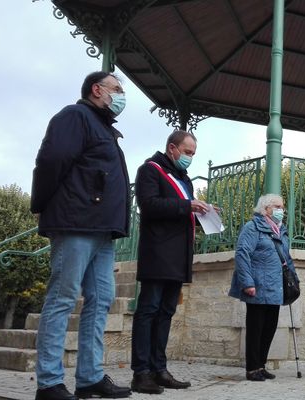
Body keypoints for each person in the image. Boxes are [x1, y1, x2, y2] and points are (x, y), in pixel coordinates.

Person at [31, 71, 132, 400]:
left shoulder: (105, 127)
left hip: (103, 228)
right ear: (97, 89)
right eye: (117, 88)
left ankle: (89, 377)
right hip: (76, 222)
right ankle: (49, 383)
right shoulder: (75, 116)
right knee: (62, 298)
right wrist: (43, 205)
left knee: (101, 300)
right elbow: (52, 161)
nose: (121, 95)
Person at [130, 130, 209, 394]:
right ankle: (141, 373)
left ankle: (159, 369)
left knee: (166, 313)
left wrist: (202, 214)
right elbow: (150, 205)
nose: (190, 158)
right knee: (148, 311)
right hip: (157, 252)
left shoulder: (184, 178)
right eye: (187, 152)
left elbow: (182, 211)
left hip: (178, 256)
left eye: (193, 154)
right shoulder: (150, 170)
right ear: (172, 148)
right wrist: (188, 207)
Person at [229, 194, 299, 381]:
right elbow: (242, 254)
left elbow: (287, 259)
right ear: (265, 209)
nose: (281, 210)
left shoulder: (281, 231)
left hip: (276, 287)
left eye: (282, 207)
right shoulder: (252, 227)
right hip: (258, 286)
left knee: (269, 327)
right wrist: (247, 282)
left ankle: (261, 365)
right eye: (277, 206)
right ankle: (252, 368)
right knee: (256, 328)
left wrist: (295, 282)